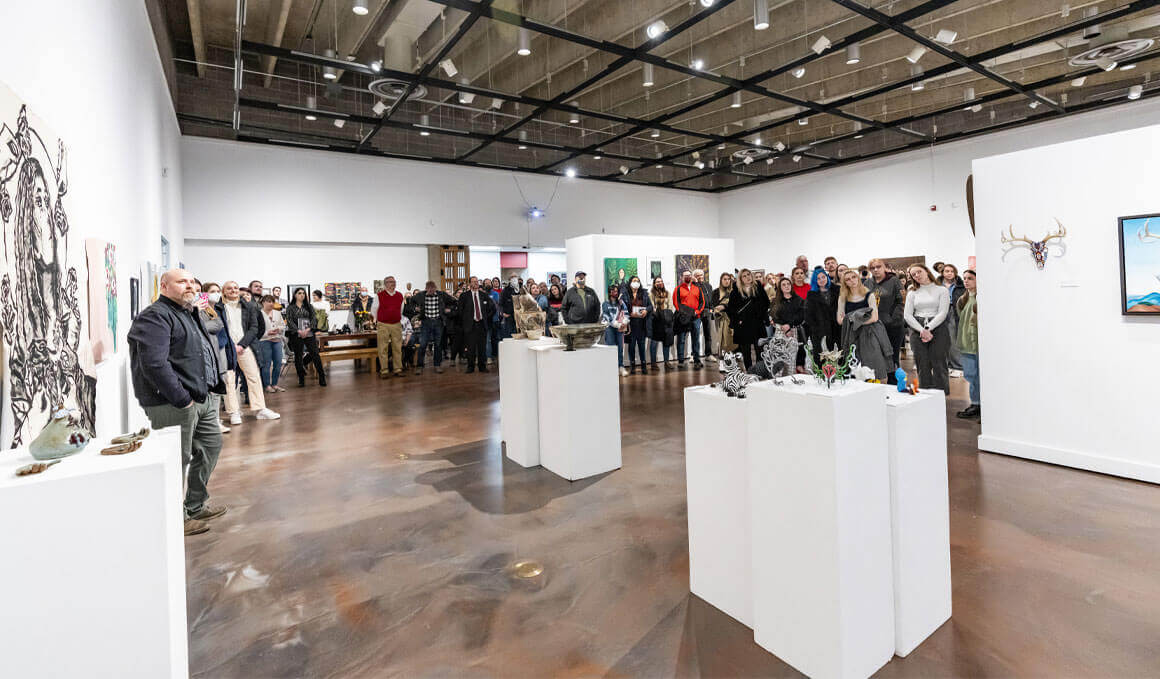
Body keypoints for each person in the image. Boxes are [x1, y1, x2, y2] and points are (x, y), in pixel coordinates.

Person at [128, 269, 227, 537]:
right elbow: (154, 364)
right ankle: (175, 519)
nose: (190, 286)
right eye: (182, 282)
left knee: (211, 447)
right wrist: (182, 400)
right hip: (173, 403)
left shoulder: (190, 313)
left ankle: (195, 505)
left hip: (202, 397)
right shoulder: (155, 316)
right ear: (164, 286)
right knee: (176, 461)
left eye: (192, 282)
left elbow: (206, 341)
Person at [221, 280, 280, 423]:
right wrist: (231, 345)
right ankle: (234, 412)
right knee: (229, 379)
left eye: (235, 287)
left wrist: (242, 345)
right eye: (229, 288)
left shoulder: (248, 306)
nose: (233, 290)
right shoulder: (218, 307)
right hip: (227, 347)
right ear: (224, 292)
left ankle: (260, 409)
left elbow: (254, 327)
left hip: (245, 346)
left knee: (253, 376)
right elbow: (218, 329)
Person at [837, 269, 893, 380]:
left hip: (870, 333)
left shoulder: (869, 295)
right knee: (855, 367)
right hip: (852, 334)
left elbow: (874, 317)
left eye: (854, 277)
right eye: (848, 279)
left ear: (858, 278)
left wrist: (853, 319)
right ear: (845, 283)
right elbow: (840, 320)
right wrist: (859, 317)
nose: (852, 280)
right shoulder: (842, 298)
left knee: (876, 366)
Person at [904, 264, 951, 393]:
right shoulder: (912, 292)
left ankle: (940, 394)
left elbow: (943, 312)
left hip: (938, 327)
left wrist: (928, 328)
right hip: (917, 327)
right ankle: (925, 394)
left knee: (939, 363)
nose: (917, 275)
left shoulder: (942, 290)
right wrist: (922, 330)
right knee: (922, 364)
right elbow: (907, 315)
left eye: (919, 272)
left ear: (926, 271)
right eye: (913, 275)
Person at [199, 282, 237, 435]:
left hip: (221, 349)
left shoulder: (218, 308)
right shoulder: (200, 309)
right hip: (209, 351)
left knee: (220, 385)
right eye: (212, 291)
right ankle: (212, 421)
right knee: (212, 388)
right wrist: (215, 323)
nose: (216, 294)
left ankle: (214, 419)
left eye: (217, 291)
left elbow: (221, 328)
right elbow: (206, 327)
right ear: (204, 294)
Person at [866, 258, 905, 379]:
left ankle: (894, 382)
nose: (876, 270)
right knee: (878, 356)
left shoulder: (894, 281)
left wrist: (893, 319)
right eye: (872, 268)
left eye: (878, 267)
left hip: (893, 326)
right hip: (875, 325)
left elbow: (901, 301)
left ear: (884, 268)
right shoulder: (867, 283)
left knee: (892, 357)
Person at [726, 269, 768, 369]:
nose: (747, 277)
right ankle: (749, 371)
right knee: (746, 352)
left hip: (757, 323)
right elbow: (731, 309)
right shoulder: (735, 291)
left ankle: (759, 371)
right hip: (743, 325)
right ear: (740, 279)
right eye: (744, 276)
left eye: (748, 274)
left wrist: (759, 313)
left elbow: (766, 303)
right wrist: (738, 320)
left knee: (759, 350)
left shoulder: (758, 288)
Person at [285, 287, 326, 387]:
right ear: (295, 295)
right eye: (299, 293)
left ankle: (322, 377)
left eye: (303, 293)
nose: (302, 295)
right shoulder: (290, 307)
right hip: (296, 334)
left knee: (315, 354)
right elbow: (289, 320)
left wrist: (307, 329)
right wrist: (299, 331)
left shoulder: (309, 306)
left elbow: (313, 319)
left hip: (309, 333)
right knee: (298, 356)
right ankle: (301, 378)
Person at [412, 280, 454, 375]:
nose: (431, 290)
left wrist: (449, 309)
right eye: (429, 289)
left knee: (438, 344)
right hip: (426, 322)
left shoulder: (441, 294)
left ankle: (437, 365)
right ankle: (419, 366)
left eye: (433, 288)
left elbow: (453, 301)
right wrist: (415, 308)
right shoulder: (421, 295)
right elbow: (411, 301)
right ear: (426, 288)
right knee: (423, 344)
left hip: (438, 322)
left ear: (435, 288)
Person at [457, 276, 495, 373]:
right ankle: (470, 367)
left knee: (482, 347)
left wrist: (486, 317)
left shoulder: (483, 295)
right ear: (470, 284)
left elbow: (492, 308)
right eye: (473, 281)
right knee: (471, 347)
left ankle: (482, 366)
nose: (476, 283)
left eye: (477, 281)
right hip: (470, 325)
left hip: (482, 324)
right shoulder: (464, 296)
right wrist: (465, 322)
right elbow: (460, 311)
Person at [956, 270, 980, 419]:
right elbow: (962, 319)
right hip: (967, 343)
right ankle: (975, 403)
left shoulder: (982, 298)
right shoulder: (962, 300)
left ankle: (984, 404)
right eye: (964, 278)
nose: (966, 281)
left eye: (970, 278)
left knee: (982, 375)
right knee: (971, 374)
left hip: (981, 343)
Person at [372, 276, 405, 378]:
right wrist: (380, 319)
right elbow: (374, 309)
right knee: (383, 348)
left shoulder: (399, 295)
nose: (393, 284)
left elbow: (401, 309)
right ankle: (384, 370)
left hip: (396, 324)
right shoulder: (379, 295)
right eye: (390, 282)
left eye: (394, 282)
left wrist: (395, 317)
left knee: (397, 347)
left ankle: (398, 369)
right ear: (385, 284)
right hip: (383, 324)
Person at [770, 277, 806, 368]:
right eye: (783, 285)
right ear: (780, 288)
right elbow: (774, 316)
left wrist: (789, 325)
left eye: (788, 284)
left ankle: (791, 375)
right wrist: (785, 327)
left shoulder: (799, 300)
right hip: (780, 332)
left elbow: (801, 316)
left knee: (792, 359)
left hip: (794, 331)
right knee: (779, 358)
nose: (786, 286)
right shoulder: (775, 301)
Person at [672, 270, 704, 369]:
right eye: (685, 275)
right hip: (683, 318)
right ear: (682, 277)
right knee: (681, 339)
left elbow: (702, 302)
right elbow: (676, 303)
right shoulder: (678, 289)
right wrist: (685, 313)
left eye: (689, 275)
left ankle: (697, 360)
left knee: (696, 339)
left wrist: (697, 312)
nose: (687, 277)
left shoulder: (697, 288)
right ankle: (681, 360)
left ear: (692, 277)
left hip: (695, 318)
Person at [256, 294, 286, 393]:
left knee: (278, 363)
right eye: (269, 301)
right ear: (263, 302)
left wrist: (279, 329)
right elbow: (257, 330)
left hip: (277, 340)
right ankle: (267, 385)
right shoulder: (259, 314)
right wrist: (267, 333)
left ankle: (275, 384)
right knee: (266, 364)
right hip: (264, 341)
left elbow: (283, 325)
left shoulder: (277, 313)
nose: (271, 303)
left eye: (273, 301)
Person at [805, 269, 839, 356]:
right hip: (820, 332)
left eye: (823, 277)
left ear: (827, 277)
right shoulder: (811, 294)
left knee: (838, 356)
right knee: (822, 357)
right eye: (818, 278)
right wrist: (816, 327)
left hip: (836, 329)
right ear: (815, 281)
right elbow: (808, 314)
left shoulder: (837, 289)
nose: (821, 280)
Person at [624, 275, 653, 375]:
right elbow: (622, 307)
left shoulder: (644, 294)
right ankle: (632, 366)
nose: (636, 282)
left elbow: (650, 306)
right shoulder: (625, 294)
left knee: (641, 346)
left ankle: (643, 366)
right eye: (634, 280)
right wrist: (629, 313)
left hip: (642, 324)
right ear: (630, 282)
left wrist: (646, 310)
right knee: (631, 346)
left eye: (637, 281)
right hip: (631, 324)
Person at [941, 263, 966, 374]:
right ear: (942, 273)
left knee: (953, 339)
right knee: (941, 339)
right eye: (947, 271)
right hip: (940, 311)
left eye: (952, 271)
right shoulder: (937, 285)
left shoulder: (960, 285)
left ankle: (957, 366)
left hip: (953, 311)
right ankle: (947, 365)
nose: (949, 273)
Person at [602, 284, 629, 376]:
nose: (615, 293)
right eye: (613, 291)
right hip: (610, 328)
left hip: (620, 328)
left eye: (617, 291)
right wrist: (617, 324)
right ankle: (612, 368)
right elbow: (607, 317)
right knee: (611, 348)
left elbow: (626, 313)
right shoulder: (605, 303)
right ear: (609, 292)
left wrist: (624, 322)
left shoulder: (621, 303)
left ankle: (621, 367)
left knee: (620, 348)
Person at [649, 277, 674, 368]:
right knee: (654, 342)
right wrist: (657, 312)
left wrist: (668, 315)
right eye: (657, 282)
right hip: (656, 320)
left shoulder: (668, 293)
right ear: (654, 283)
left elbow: (670, 306)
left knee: (666, 342)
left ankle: (666, 361)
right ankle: (653, 363)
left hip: (666, 320)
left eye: (661, 281)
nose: (660, 283)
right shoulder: (651, 294)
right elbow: (652, 307)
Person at [712, 272, 736, 358]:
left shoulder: (733, 292)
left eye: (728, 279)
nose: (727, 281)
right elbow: (713, 304)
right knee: (720, 338)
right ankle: (722, 357)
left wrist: (724, 306)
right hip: (719, 318)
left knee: (730, 338)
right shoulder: (715, 292)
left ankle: (730, 357)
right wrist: (717, 309)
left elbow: (735, 305)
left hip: (730, 318)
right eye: (724, 279)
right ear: (721, 280)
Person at [693, 269, 715, 361]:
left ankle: (708, 354)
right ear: (694, 277)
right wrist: (696, 282)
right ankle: (694, 355)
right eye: (697, 275)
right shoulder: (693, 286)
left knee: (708, 334)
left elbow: (711, 298)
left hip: (707, 311)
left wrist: (712, 308)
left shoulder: (708, 286)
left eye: (701, 275)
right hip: (697, 312)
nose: (700, 277)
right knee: (695, 334)